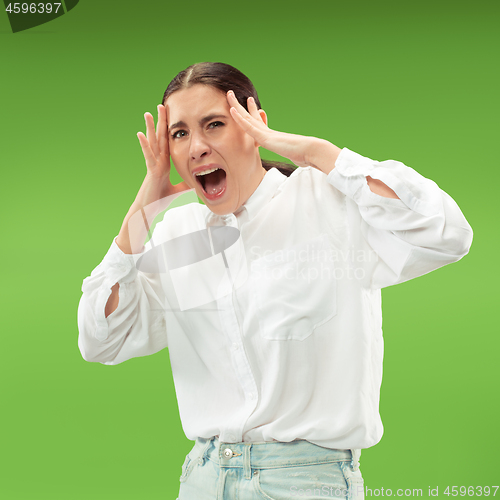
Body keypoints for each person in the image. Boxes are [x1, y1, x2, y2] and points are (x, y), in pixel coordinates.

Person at [77, 62, 473, 500]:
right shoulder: (176, 234)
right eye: (180, 133)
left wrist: (317, 153)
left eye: (214, 124)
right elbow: (101, 340)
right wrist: (142, 210)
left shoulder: (328, 200)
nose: (197, 148)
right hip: (203, 479)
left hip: (306, 482)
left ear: (254, 124)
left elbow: (446, 233)